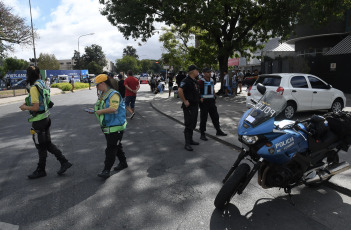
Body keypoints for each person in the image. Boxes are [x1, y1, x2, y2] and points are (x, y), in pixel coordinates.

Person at [19, 66, 72, 179]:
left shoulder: (34, 88)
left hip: (39, 121)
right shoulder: (42, 84)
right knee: (46, 144)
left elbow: (36, 107)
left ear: (28, 76)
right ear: (38, 74)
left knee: (41, 146)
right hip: (46, 118)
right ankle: (63, 162)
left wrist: (24, 107)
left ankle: (42, 170)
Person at [90, 74, 128, 179]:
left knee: (111, 148)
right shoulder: (103, 94)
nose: (96, 87)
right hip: (108, 125)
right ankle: (123, 162)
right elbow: (100, 106)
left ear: (102, 83)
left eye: (97, 85)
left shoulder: (113, 94)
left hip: (116, 126)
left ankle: (106, 170)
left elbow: (113, 108)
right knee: (116, 145)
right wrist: (94, 110)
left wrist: (99, 111)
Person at [198, 68, 227, 141]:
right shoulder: (200, 81)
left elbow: (212, 89)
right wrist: (199, 98)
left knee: (215, 117)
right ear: (204, 73)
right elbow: (197, 91)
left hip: (211, 101)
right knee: (204, 118)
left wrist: (214, 97)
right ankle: (202, 133)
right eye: (208, 72)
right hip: (204, 102)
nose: (209, 73)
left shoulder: (212, 80)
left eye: (210, 72)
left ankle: (218, 130)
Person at [178, 65, 201, 151]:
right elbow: (180, 90)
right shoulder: (186, 80)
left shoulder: (194, 81)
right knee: (188, 124)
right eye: (196, 70)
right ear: (192, 71)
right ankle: (187, 143)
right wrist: (184, 101)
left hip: (195, 105)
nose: (197, 72)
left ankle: (190, 140)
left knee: (193, 123)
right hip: (189, 106)